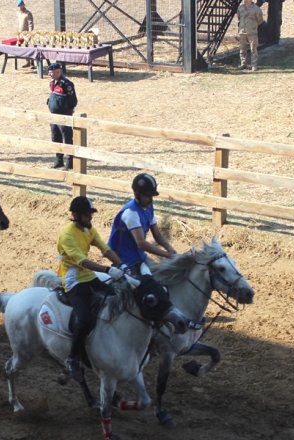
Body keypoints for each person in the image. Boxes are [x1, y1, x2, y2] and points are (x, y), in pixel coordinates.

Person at [57, 195, 128, 380]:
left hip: (88, 276)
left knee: (116, 297)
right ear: (77, 215)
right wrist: (108, 270)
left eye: (91, 214)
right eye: (88, 215)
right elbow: (82, 261)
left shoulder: (89, 230)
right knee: (85, 318)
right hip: (73, 279)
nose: (91, 217)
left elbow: (105, 249)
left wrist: (122, 265)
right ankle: (72, 359)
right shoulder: (67, 235)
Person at [108, 174, 176, 275]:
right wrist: (166, 255)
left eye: (152, 196)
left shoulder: (148, 207)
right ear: (136, 194)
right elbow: (141, 243)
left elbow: (157, 234)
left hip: (139, 258)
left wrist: (170, 249)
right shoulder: (131, 213)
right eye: (148, 196)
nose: (151, 199)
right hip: (125, 261)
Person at [47, 63, 77, 169]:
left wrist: (68, 112)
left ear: (58, 72)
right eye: (49, 72)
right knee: (55, 137)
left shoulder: (66, 84)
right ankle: (59, 160)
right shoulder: (52, 83)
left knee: (67, 138)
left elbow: (73, 100)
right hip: (53, 116)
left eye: (51, 72)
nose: (49, 74)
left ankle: (70, 162)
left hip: (64, 116)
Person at [237, 0, 264, 71]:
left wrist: (253, 26)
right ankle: (243, 64)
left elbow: (260, 20)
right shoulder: (240, 8)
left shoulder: (256, 9)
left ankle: (254, 65)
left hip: (252, 32)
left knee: (253, 49)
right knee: (242, 49)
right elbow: (239, 17)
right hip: (242, 31)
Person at [16, 0, 36, 68]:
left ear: (23, 5)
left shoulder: (28, 13)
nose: (19, 7)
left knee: (30, 48)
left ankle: (32, 63)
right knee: (24, 48)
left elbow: (30, 24)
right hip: (21, 34)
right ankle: (27, 62)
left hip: (28, 33)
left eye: (20, 5)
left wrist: (30, 33)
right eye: (18, 6)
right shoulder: (18, 13)